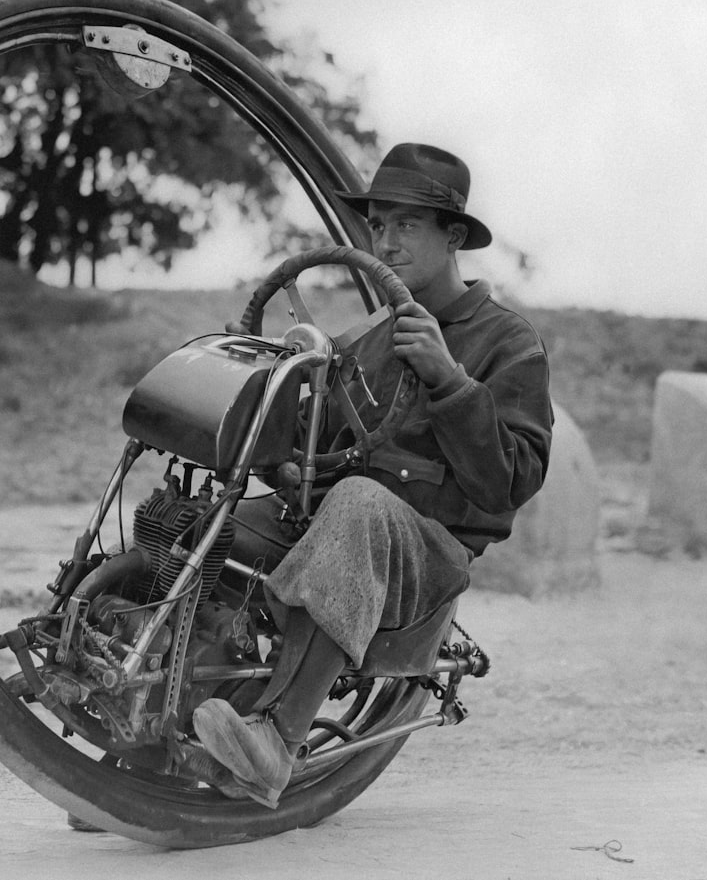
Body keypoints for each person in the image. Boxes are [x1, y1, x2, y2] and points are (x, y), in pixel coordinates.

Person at [192, 143, 554, 807]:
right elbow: (322, 451)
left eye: (406, 226)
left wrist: (450, 381)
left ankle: (275, 737)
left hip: (427, 555)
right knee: (200, 526)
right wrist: (289, 450)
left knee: (361, 500)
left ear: (453, 238)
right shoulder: (366, 339)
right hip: (337, 526)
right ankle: (144, 746)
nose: (385, 242)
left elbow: (509, 483)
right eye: (378, 225)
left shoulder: (507, 341)